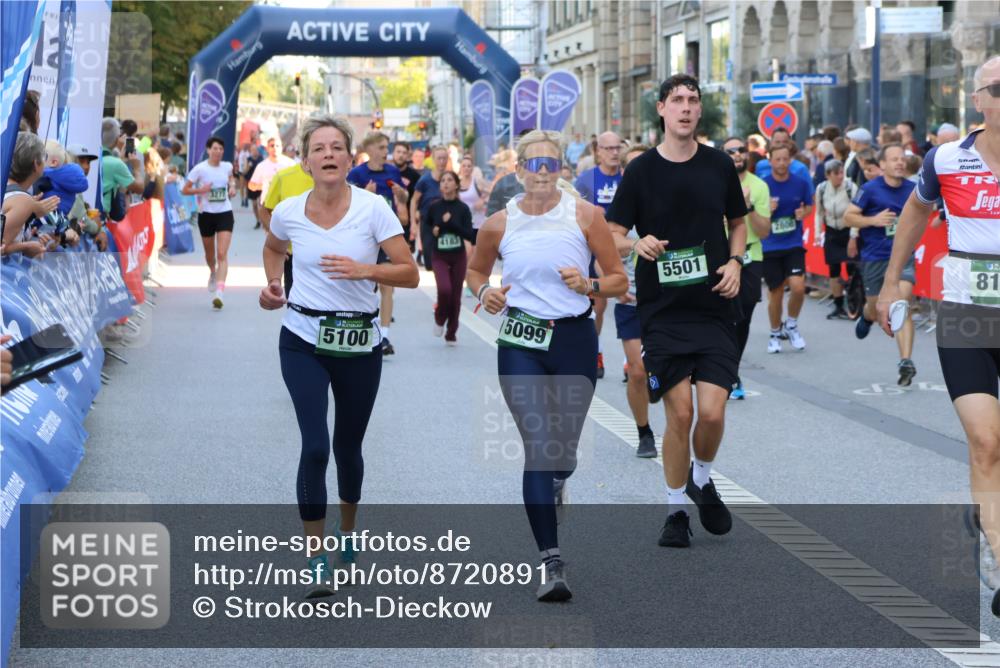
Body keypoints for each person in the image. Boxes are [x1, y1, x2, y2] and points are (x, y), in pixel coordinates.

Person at [258, 115, 419, 599]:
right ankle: (315, 557)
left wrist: (364, 269)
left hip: (357, 344)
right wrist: (272, 287)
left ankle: (348, 535)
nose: (328, 154)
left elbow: (409, 273)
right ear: (305, 161)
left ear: (350, 158)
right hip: (302, 337)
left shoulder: (374, 210)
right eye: (318, 148)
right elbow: (272, 248)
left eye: (336, 147)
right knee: (314, 446)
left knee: (348, 448)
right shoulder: (287, 210)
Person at [466, 129, 627, 601]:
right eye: (532, 164)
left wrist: (589, 286)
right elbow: (477, 272)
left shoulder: (585, 216)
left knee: (564, 450)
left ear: (561, 170)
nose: (540, 172)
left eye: (550, 164)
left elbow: (617, 279)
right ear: (517, 172)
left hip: (574, 337)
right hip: (520, 340)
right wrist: (484, 292)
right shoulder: (498, 223)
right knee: (538, 444)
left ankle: (560, 476)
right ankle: (550, 562)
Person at [877, 56, 1000, 613]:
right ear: (978, 100)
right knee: (985, 441)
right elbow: (914, 216)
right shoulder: (946, 158)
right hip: (967, 314)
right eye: (998, 87)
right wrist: (888, 284)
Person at [607, 74, 748, 550]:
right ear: (662, 110)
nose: (686, 109)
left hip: (713, 308)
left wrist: (735, 261)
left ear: (698, 110)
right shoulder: (642, 170)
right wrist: (636, 241)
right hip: (663, 312)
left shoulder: (718, 165)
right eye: (677, 101)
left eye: (693, 101)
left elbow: (739, 222)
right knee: (681, 414)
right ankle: (675, 512)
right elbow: (612, 233)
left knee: (711, 413)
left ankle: (701, 477)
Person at [845, 143, 918, 385]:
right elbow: (849, 216)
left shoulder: (914, 188)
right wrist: (873, 220)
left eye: (902, 159)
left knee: (901, 303)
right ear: (882, 165)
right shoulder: (870, 189)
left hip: (903, 256)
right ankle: (866, 316)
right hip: (875, 257)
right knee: (877, 308)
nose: (900, 162)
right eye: (894, 159)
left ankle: (905, 361)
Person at [613, 144, 658, 456]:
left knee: (667, 371)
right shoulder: (622, 203)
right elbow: (606, 247)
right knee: (639, 369)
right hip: (630, 297)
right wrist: (614, 285)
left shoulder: (666, 197)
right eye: (630, 165)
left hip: (666, 299)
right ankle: (644, 432)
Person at [347, 132, 409, 356]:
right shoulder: (357, 173)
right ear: (371, 149)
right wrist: (364, 194)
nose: (386, 152)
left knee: (387, 285)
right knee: (365, 284)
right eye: (382, 148)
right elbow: (344, 204)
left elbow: (403, 198)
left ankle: (384, 336)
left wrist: (401, 194)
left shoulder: (392, 171)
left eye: (386, 147)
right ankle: (362, 326)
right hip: (362, 237)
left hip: (386, 236)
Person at [722, 136, 772, 399]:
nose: (737, 154)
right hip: (722, 257)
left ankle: (732, 367)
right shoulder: (715, 183)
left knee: (743, 318)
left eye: (741, 150)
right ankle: (727, 373)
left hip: (752, 256)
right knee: (726, 317)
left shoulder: (759, 186)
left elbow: (763, 231)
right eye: (731, 151)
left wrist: (748, 205)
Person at [575, 131, 624, 379]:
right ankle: (596, 351)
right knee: (599, 305)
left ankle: (632, 361)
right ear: (598, 152)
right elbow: (575, 215)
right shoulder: (585, 181)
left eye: (618, 147)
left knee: (632, 301)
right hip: (596, 252)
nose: (614, 153)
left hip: (626, 248)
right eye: (609, 148)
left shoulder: (628, 178)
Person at [761, 143, 813, 353]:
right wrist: (767, 210)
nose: (782, 163)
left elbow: (809, 205)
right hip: (770, 245)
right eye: (777, 159)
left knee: (798, 287)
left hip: (793, 243)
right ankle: (775, 332)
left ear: (790, 160)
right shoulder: (763, 185)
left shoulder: (800, 183)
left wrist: (804, 214)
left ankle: (791, 324)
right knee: (776, 292)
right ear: (770, 161)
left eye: (785, 159)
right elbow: (753, 215)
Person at [182, 136, 237, 310]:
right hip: (206, 215)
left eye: (221, 149)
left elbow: (231, 178)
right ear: (208, 150)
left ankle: (219, 293)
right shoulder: (200, 169)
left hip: (224, 213)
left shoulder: (227, 166)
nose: (218, 151)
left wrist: (233, 186)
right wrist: (201, 190)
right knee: (210, 254)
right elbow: (184, 189)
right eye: (215, 148)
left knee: (222, 254)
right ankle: (212, 272)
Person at [427, 170, 475, 344]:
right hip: (439, 255)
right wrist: (435, 229)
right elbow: (429, 229)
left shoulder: (462, 209)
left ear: (456, 185)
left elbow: (469, 235)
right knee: (445, 290)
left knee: (455, 296)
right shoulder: (434, 207)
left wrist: (451, 224)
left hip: (458, 256)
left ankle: (451, 332)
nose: (445, 183)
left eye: (449, 180)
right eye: (442, 181)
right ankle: (440, 319)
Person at [814, 159, 860, 319]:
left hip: (847, 229)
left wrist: (854, 236)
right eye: (836, 173)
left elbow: (857, 213)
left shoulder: (849, 187)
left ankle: (855, 303)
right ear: (828, 175)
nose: (841, 176)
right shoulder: (821, 189)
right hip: (831, 231)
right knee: (833, 269)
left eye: (842, 172)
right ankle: (838, 305)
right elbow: (819, 212)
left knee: (851, 267)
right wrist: (818, 233)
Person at [3, 132, 59, 258]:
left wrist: (29, 218)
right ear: (36, 164)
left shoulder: (16, 195)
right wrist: (27, 246)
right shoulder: (23, 200)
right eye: (45, 157)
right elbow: (2, 247)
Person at [262, 162, 314, 299]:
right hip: (294, 255)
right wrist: (278, 238)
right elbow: (265, 211)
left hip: (330, 257)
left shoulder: (338, 178)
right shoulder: (283, 177)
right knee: (296, 305)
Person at [411, 145, 449, 270]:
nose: (442, 162)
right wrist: (413, 224)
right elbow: (414, 200)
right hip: (427, 223)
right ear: (433, 159)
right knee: (428, 260)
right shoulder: (425, 180)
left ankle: (444, 282)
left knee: (446, 257)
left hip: (446, 223)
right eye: (439, 158)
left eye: (444, 158)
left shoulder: (450, 179)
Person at [249, 135, 295, 229]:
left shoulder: (291, 164)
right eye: (272, 145)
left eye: (277, 146)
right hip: (267, 206)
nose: (275, 148)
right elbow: (251, 185)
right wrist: (265, 186)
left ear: (282, 147)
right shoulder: (261, 166)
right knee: (271, 236)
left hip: (286, 205)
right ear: (267, 148)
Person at [458, 154, 488, 246]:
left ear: (472, 168)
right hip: (463, 224)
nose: (466, 168)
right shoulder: (456, 184)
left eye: (469, 166)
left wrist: (483, 201)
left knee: (476, 252)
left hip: (478, 224)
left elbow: (492, 192)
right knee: (467, 254)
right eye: (464, 166)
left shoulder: (477, 181)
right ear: (460, 168)